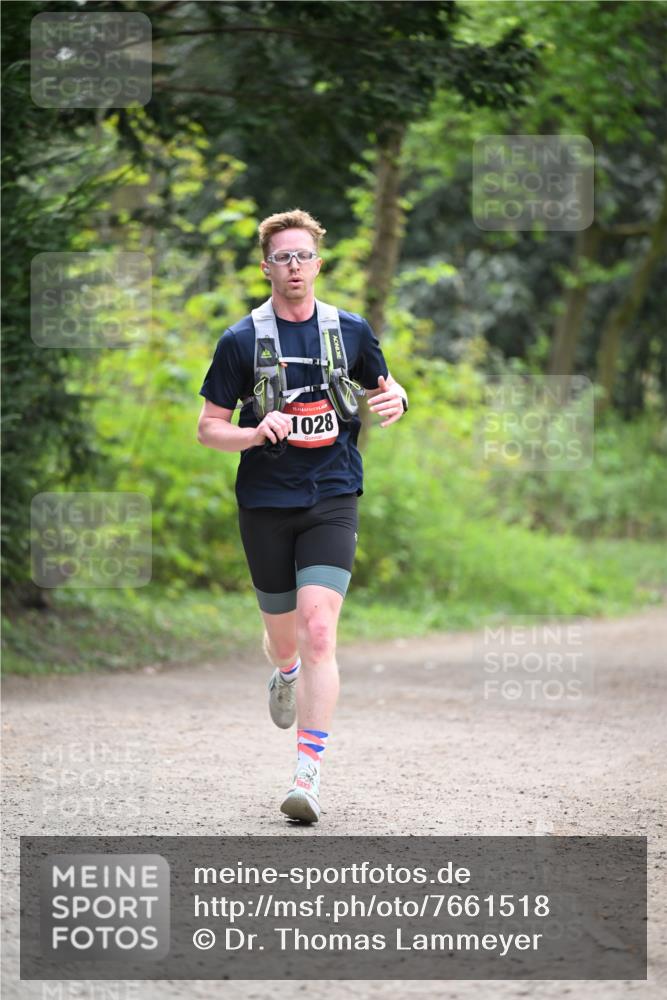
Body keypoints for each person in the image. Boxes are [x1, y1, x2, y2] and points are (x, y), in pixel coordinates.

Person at [197, 208, 407, 823]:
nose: (294, 267)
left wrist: (397, 397)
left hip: (333, 495)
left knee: (320, 631)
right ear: (266, 267)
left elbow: (385, 387)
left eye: (303, 256)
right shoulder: (241, 341)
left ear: (318, 263)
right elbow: (209, 430)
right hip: (265, 502)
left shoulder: (350, 331)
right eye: (283, 257)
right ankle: (283, 670)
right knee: (285, 637)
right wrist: (255, 430)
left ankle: (307, 776)